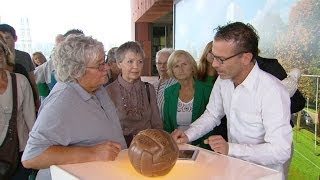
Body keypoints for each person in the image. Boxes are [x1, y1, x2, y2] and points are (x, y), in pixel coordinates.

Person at [171, 22, 293, 179]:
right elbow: (212, 115)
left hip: (263, 176)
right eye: (213, 57)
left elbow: (281, 151)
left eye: (221, 59)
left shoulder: (273, 91)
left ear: (246, 58)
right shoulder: (223, 81)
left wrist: (231, 149)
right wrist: (188, 135)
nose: (214, 64)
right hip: (233, 171)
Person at [21, 35, 127, 180]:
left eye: (105, 62)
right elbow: (32, 157)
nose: (107, 67)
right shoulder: (61, 101)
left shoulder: (97, 87)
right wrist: (92, 153)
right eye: (99, 65)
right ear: (77, 71)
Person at [106, 41, 162, 146]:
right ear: (119, 63)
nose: (136, 66)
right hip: (119, 148)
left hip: (147, 147)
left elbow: (157, 124)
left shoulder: (148, 89)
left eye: (140, 61)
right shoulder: (108, 92)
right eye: (130, 61)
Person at [0, 34, 35, 180]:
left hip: (20, 151)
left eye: (0, 52)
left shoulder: (20, 81)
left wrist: (35, 150)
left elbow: (31, 119)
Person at [163, 50, 214, 149]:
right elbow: (168, 126)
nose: (180, 69)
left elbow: (211, 123)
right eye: (176, 66)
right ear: (172, 70)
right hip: (177, 145)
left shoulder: (207, 90)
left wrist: (200, 146)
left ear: (192, 67)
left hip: (202, 146)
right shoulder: (169, 92)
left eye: (184, 64)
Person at [0, 24, 39, 110]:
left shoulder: (24, 56)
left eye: (7, 38)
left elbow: (32, 80)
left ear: (15, 38)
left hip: (27, 99)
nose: (4, 41)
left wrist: (37, 99)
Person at [197, 41, 228, 141]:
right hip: (202, 119)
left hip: (221, 124)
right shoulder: (198, 75)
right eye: (211, 51)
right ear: (206, 53)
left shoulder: (224, 77)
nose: (213, 55)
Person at [152, 48, 177, 120]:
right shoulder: (153, 85)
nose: (162, 66)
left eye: (166, 63)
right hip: (154, 128)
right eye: (159, 63)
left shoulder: (177, 85)